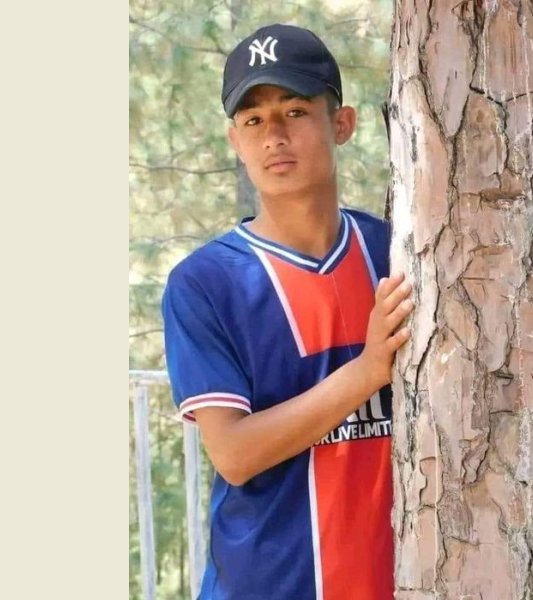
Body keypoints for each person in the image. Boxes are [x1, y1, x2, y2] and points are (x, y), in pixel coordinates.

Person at [162, 23, 413, 600]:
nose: (273, 135)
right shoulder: (206, 283)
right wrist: (367, 371)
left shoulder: (398, 253)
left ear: (341, 124)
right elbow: (234, 455)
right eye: (253, 120)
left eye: (295, 111)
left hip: (397, 583)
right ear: (236, 141)